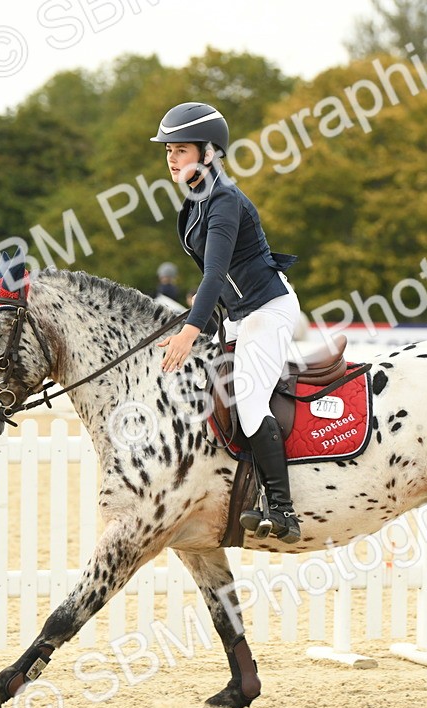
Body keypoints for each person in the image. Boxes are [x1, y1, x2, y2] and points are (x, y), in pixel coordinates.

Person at [151, 101, 303, 543]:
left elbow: (216, 274)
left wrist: (189, 332)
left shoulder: (222, 200)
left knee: (251, 401)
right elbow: (213, 278)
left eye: (180, 150)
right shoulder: (195, 203)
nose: (172, 158)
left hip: (268, 309)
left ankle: (284, 510)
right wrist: (205, 306)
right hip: (239, 314)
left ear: (210, 152)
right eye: (169, 151)